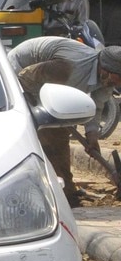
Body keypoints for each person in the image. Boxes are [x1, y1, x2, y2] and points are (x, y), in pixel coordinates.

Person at [7, 36, 121, 207]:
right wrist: (39, 107)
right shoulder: (69, 68)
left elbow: (96, 107)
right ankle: (58, 192)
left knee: (59, 134)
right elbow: (26, 77)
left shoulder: (106, 82)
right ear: (107, 70)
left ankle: (66, 191)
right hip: (19, 70)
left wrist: (92, 136)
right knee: (50, 135)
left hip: (46, 81)